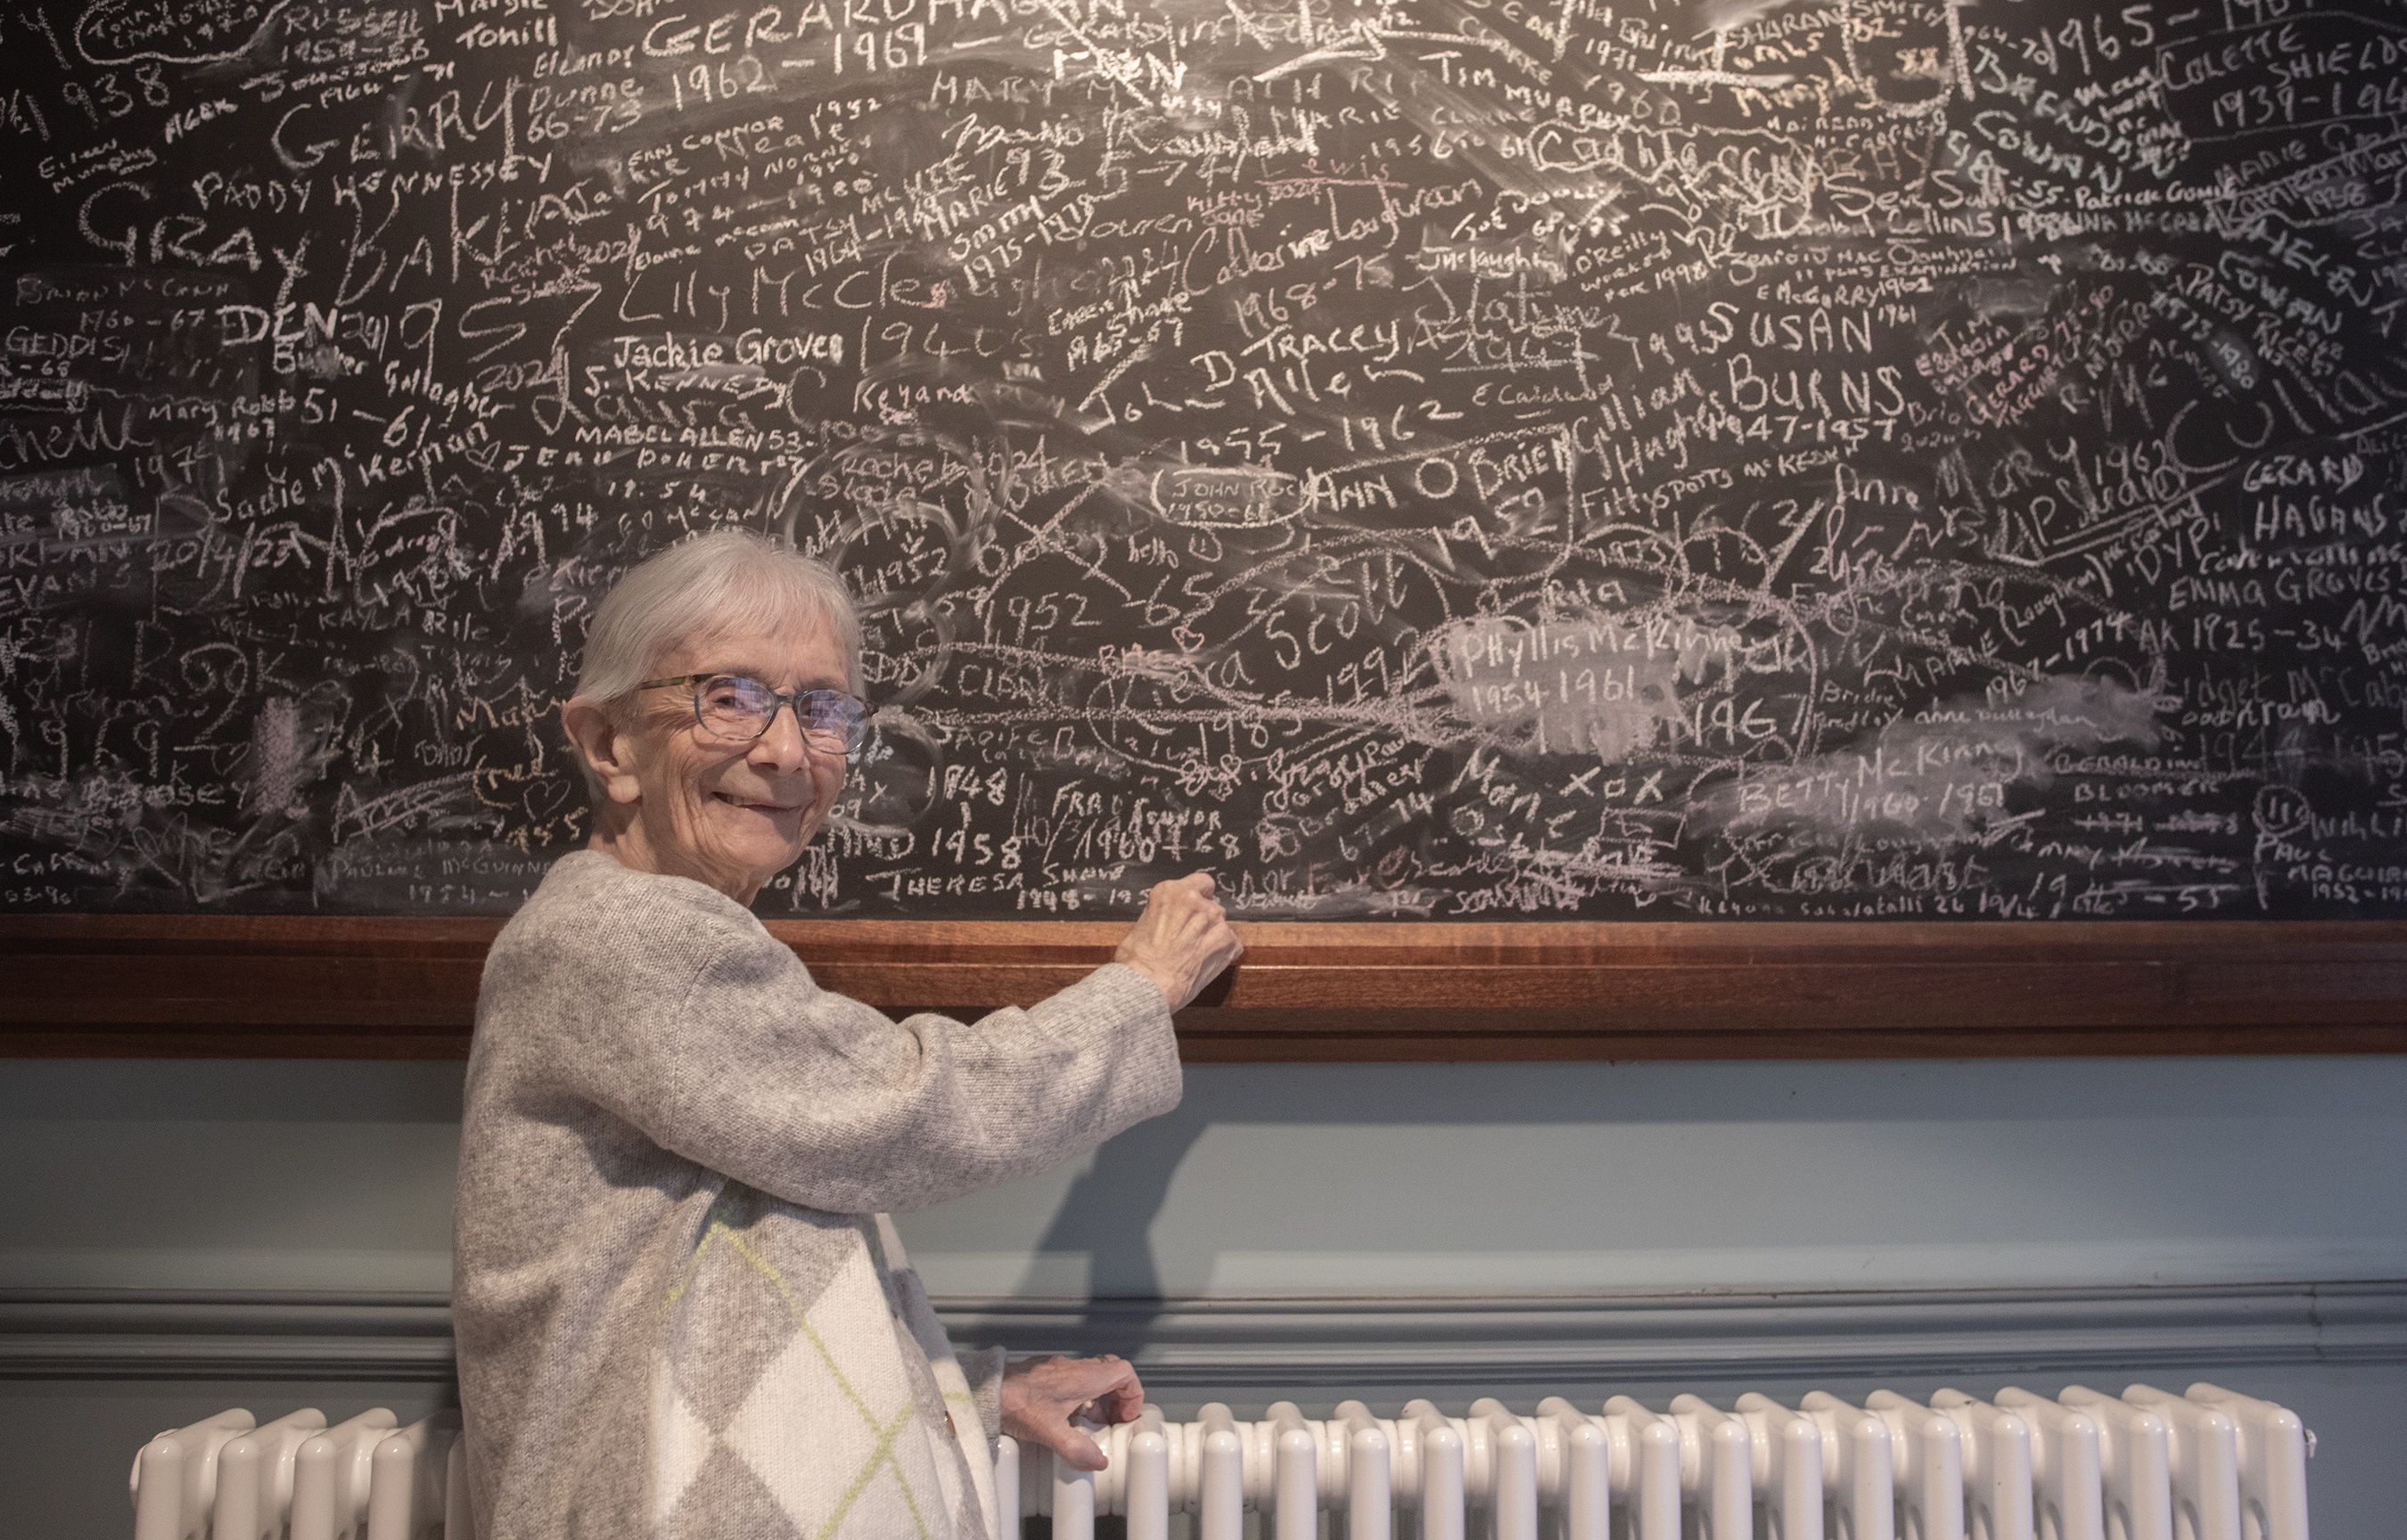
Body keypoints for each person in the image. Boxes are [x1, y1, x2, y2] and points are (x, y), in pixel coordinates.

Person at [453, 528, 1243, 1539]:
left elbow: (712, 1291)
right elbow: (904, 1114)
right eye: (727, 695)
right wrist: (1138, 989)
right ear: (610, 745)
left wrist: (970, 1393)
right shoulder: (624, 940)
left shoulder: (659, 944)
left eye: (820, 708)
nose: (784, 750)